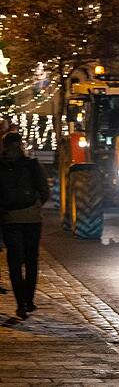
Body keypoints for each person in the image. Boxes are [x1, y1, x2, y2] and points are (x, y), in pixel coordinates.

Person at [0, 132, 49, 319]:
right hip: (32, 219)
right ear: (20, 145)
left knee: (14, 262)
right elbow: (44, 191)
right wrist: (34, 206)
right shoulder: (32, 165)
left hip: (9, 219)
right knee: (31, 261)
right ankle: (29, 300)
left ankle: (20, 303)